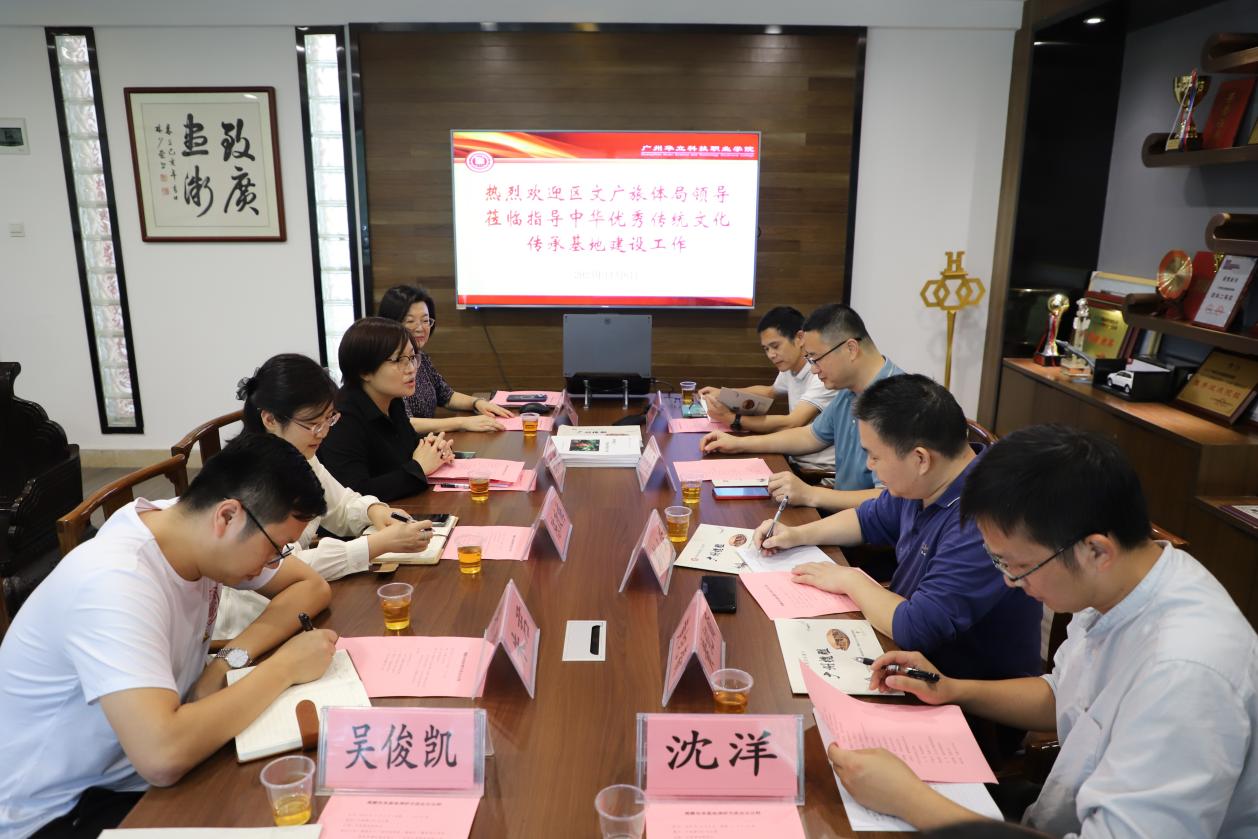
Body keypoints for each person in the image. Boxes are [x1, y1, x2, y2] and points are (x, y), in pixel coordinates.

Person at [825, 425, 1258, 837]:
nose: (1010, 582)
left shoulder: (1185, 672)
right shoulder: (1119, 586)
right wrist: (952, 688)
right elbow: (1063, 695)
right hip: (1053, 811)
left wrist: (909, 800)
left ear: (1096, 550)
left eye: (1018, 565)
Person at [0, 434, 339, 838]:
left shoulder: (185, 526)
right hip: (58, 810)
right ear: (227, 517)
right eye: (276, 548)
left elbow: (310, 586)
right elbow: (163, 754)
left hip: (133, 769)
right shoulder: (115, 580)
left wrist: (225, 662)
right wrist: (284, 668)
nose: (273, 563)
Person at [753, 374, 1041, 682]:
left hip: (960, 685)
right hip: (903, 649)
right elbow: (867, 519)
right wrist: (797, 534)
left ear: (920, 459)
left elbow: (917, 627)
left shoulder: (985, 520)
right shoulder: (925, 482)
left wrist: (849, 579)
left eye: (875, 456)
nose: (869, 465)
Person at [216, 353, 434, 639]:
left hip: (302, 599)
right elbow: (286, 568)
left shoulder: (298, 455)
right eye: (313, 424)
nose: (323, 433)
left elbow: (340, 505)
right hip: (253, 620)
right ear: (270, 419)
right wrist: (376, 544)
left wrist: (375, 511)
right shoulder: (250, 479)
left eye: (328, 419)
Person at [701, 303, 902, 512]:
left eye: (816, 359)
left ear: (850, 349)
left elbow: (890, 501)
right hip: (842, 512)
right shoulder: (848, 389)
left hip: (865, 523)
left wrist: (810, 494)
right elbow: (810, 436)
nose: (813, 370)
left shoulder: (898, 402)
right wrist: (739, 444)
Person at [320, 316, 455, 501]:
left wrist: (434, 450)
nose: (411, 369)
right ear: (364, 371)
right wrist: (419, 468)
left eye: (412, 358)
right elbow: (355, 493)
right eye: (399, 360)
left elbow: (410, 450)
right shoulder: (341, 418)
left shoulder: (392, 400)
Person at [698, 306, 838, 471]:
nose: (771, 354)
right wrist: (723, 393)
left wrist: (732, 419)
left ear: (800, 338)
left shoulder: (821, 374)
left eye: (775, 346)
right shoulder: (790, 366)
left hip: (815, 470)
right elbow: (770, 391)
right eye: (766, 349)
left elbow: (792, 422)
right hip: (793, 458)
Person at [376, 284, 512, 433]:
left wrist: (477, 403)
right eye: (410, 321)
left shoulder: (420, 357)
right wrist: (462, 422)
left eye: (425, 320)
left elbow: (446, 396)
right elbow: (405, 422)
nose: (420, 328)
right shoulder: (387, 365)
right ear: (390, 323)